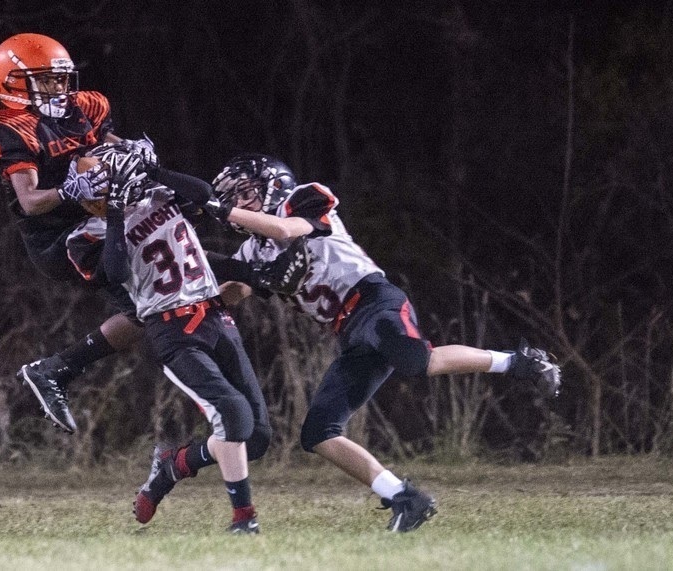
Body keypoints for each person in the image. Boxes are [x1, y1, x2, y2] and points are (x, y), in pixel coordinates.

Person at [205, 153, 563, 533]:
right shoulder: (253, 251)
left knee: (416, 360)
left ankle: (519, 361)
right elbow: (233, 291)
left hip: (375, 303)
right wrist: (196, 289)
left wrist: (220, 211)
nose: (238, 204)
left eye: (244, 192)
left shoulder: (301, 201)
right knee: (319, 433)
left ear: (274, 184)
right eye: (231, 198)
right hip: (348, 330)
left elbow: (283, 229)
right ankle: (405, 498)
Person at [65, 149, 272, 534]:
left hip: (215, 316)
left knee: (256, 437)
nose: (92, 201)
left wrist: (154, 170)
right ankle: (244, 519)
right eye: (89, 196)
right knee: (233, 413)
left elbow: (204, 194)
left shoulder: (158, 195)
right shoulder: (84, 237)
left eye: (100, 189)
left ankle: (173, 465)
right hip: (172, 330)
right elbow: (115, 271)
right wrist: (115, 211)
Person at [0, 33, 160, 434]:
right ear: (12, 83)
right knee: (151, 305)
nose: (58, 87)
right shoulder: (11, 128)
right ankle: (55, 371)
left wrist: (131, 149)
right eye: (46, 79)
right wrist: (70, 190)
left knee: (154, 295)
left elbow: (101, 143)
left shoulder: (83, 107)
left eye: (60, 78)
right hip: (59, 238)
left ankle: (56, 370)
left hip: (99, 219)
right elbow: (30, 201)